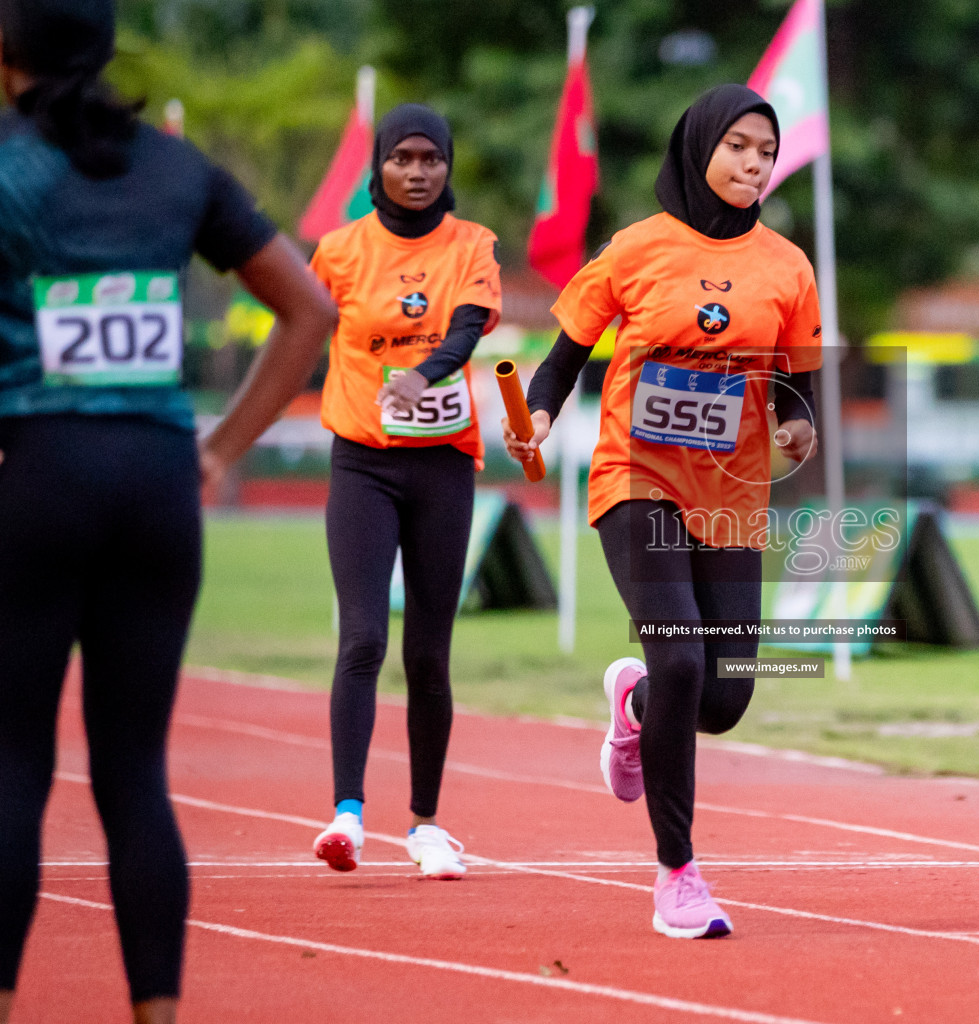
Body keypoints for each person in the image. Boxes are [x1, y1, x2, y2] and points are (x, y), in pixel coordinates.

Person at [0, 1, 337, 1021]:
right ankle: (158, 1013)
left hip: (36, 469)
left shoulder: (10, 168)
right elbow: (311, 309)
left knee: (13, 760)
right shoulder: (178, 168)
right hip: (156, 482)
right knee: (133, 771)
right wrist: (221, 448)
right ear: (105, 49)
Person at [507, 84, 821, 938]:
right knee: (683, 662)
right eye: (738, 147)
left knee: (723, 700)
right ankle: (678, 876)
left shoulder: (788, 265)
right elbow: (566, 355)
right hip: (635, 481)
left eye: (766, 151)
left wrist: (797, 426)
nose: (754, 164)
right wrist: (536, 416)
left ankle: (635, 707)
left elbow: (798, 381)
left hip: (732, 497)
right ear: (699, 148)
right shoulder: (635, 249)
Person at [308, 103, 502, 881]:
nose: (418, 173)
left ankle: (425, 823)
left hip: (442, 466)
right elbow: (300, 321)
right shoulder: (340, 251)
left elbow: (464, 329)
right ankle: (346, 816)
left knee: (428, 648)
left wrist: (422, 374)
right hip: (361, 464)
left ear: (447, 166)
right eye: (402, 159)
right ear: (378, 166)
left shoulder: (473, 245)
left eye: (431, 159)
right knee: (362, 638)